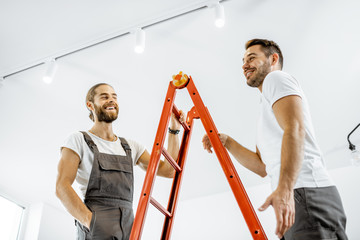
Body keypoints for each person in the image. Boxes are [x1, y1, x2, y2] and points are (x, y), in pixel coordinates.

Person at [202, 39, 348, 240]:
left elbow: (295, 128)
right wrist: (226, 141)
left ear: (273, 59)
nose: (244, 65)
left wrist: (286, 190)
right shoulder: (265, 107)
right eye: (243, 61)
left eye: (252, 58)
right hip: (296, 195)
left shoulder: (275, 79)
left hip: (304, 191)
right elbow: (263, 167)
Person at [56, 83, 184, 239]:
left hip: (128, 226)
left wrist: (174, 130)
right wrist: (90, 223)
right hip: (96, 225)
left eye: (114, 96)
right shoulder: (78, 139)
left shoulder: (131, 146)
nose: (111, 100)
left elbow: (169, 171)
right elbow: (62, 187)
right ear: (90, 105)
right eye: (104, 97)